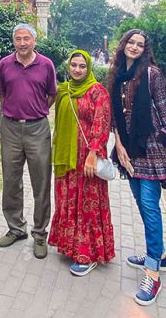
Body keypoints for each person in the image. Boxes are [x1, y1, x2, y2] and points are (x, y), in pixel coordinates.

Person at [107, 29, 166, 306]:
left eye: (140, 45)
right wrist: (118, 145)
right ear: (123, 45)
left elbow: (162, 108)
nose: (134, 47)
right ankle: (159, 254)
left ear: (145, 49)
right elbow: (115, 115)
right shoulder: (116, 75)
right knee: (140, 202)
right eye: (131, 42)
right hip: (129, 147)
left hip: (151, 145)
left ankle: (152, 273)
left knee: (149, 205)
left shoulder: (151, 73)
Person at [49, 50, 115, 276]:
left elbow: (101, 123)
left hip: (86, 158)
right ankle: (70, 246)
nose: (77, 70)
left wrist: (93, 153)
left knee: (87, 204)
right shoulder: (64, 90)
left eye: (82, 66)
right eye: (74, 65)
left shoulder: (97, 91)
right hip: (66, 157)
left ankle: (88, 254)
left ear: (89, 68)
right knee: (67, 200)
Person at [0, 23, 57, 259]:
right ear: (14, 41)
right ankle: (16, 228)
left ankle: (40, 234)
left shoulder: (46, 64)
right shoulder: (4, 64)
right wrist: (13, 112)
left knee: (41, 182)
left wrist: (36, 110)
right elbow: (2, 93)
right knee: (11, 181)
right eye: (18, 39)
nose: (22, 43)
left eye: (26, 39)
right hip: (10, 127)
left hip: (37, 128)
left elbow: (51, 95)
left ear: (34, 41)